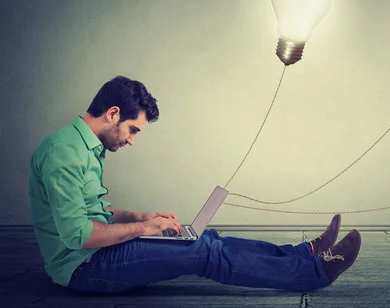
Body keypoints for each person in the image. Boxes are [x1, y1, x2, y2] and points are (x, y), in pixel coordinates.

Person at [28, 75, 362, 294]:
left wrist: (141, 216)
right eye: (133, 130)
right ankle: (315, 272)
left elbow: (93, 212)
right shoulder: (65, 154)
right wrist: (144, 229)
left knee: (205, 237)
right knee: (202, 252)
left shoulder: (84, 147)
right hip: (84, 268)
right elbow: (80, 235)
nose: (132, 141)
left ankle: (306, 253)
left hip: (98, 252)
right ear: (113, 113)